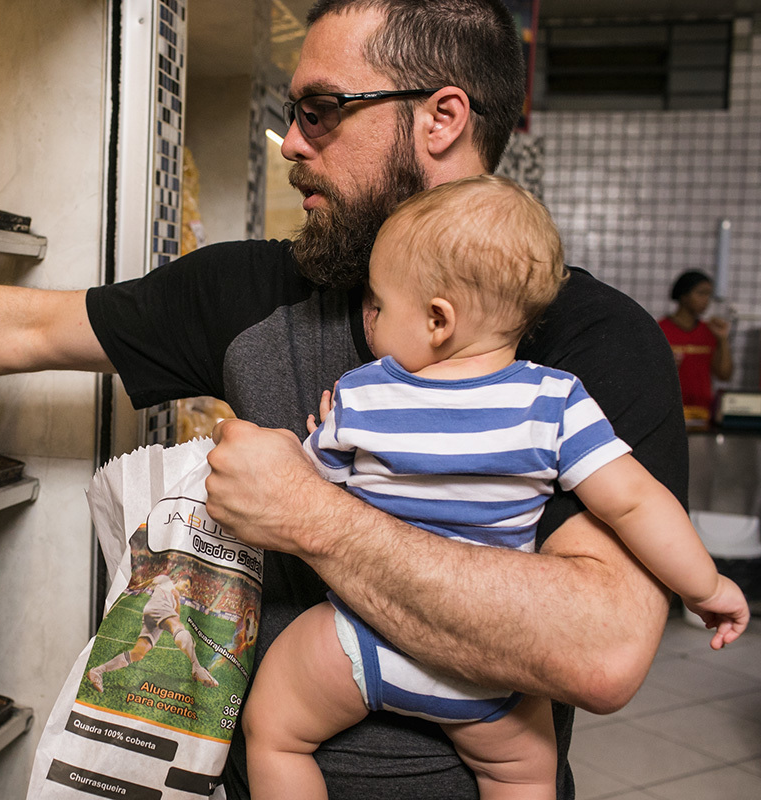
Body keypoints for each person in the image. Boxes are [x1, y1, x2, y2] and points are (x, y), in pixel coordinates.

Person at [0, 1, 687, 796]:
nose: (291, 142)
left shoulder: (590, 344)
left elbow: (601, 648)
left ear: (441, 117)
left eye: (322, 111)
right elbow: (20, 327)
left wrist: (313, 515)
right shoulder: (256, 293)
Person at [241, 175, 748, 800]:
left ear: (437, 319)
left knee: (273, 732)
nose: (368, 317)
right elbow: (637, 502)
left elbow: (308, 487)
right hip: (488, 670)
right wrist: (706, 586)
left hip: (357, 639)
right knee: (523, 773)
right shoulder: (556, 401)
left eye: (378, 305)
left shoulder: (363, 393)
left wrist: (318, 438)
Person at [86, 573, 220, 692]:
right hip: (158, 608)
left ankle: (97, 671)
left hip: (153, 617)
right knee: (179, 628)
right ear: (180, 579)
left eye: (188, 589)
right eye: (186, 585)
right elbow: (150, 581)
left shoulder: (176, 597)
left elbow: (176, 618)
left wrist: (176, 601)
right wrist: (135, 589)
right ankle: (196, 667)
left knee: (138, 653)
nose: (186, 589)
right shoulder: (166, 581)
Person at [658, 269, 733, 424]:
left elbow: (724, 374)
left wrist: (723, 340)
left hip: (703, 413)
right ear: (684, 295)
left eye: (708, 295)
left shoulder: (710, 331)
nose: (706, 300)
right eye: (701, 293)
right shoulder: (661, 329)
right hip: (670, 412)